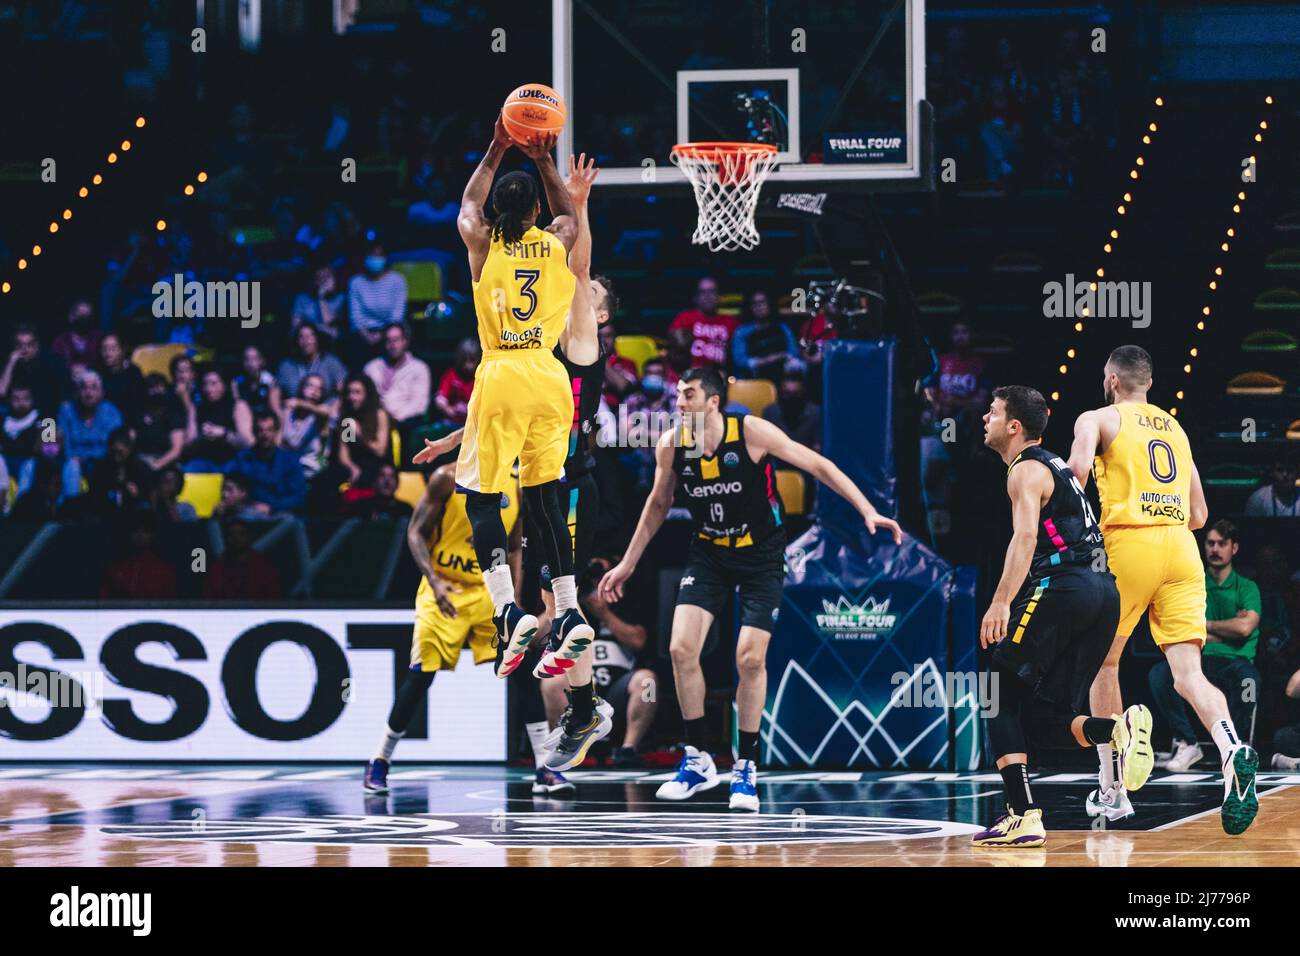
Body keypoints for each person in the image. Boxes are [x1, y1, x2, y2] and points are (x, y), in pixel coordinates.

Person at [599, 367, 903, 812]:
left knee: (749, 657)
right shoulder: (672, 446)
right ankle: (698, 758)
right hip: (708, 553)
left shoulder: (752, 433)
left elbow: (818, 465)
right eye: (679, 395)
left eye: (688, 395)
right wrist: (628, 562)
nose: (679, 402)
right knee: (682, 649)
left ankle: (746, 767)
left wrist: (868, 510)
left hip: (761, 555)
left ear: (713, 403)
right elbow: (659, 504)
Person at [417, 152, 610, 771]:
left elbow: (469, 208)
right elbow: (571, 228)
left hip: (501, 376)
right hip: (550, 388)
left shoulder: (485, 249)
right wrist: (568, 187)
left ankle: (507, 609)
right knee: (545, 503)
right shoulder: (560, 256)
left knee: (479, 500)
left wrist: (500, 145)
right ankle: (570, 616)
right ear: (538, 212)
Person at [1068, 344, 1258, 834]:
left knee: (1102, 663)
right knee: (1188, 674)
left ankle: (1112, 794)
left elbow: (1076, 474)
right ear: (1148, 383)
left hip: (1129, 543)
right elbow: (1199, 516)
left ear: (1112, 380)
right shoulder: (1176, 430)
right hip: (1180, 548)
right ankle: (1231, 746)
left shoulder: (1097, 417)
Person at [972, 386, 1147, 848]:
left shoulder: (1024, 470)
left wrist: (1000, 601)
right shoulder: (1057, 467)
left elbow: (1025, 539)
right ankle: (1114, 730)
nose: (983, 419)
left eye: (992, 413)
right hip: (1103, 592)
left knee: (997, 693)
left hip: (1063, 587)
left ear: (1014, 426)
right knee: (1046, 717)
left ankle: (1023, 814)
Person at [364, 461, 524, 794]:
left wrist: (514, 602)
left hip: (488, 589)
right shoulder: (447, 477)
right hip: (444, 586)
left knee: (518, 668)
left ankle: (546, 770)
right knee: (421, 673)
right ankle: (379, 760)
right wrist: (434, 581)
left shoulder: (517, 485)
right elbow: (415, 532)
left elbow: (513, 548)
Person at [1151, 520, 1262, 771]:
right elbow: (1235, 629)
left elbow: (1245, 628)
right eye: (1210, 543)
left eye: (1222, 544)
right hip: (1200, 657)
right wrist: (1228, 629)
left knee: (1250, 682)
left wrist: (1206, 625)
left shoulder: (1247, 587)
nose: (1215, 549)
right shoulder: (1192, 581)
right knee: (1159, 675)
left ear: (1234, 548)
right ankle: (1187, 743)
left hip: (1236, 661)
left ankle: (1239, 743)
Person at [57, 370, 123, 498]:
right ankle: (70, 509)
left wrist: (88, 457)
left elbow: (114, 445)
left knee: (109, 468)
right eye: (84, 388)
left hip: (102, 461)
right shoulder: (66, 410)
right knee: (71, 467)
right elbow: (64, 443)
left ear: (102, 392)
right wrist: (75, 458)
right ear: (77, 392)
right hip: (74, 462)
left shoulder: (112, 412)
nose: (89, 393)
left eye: (94, 388)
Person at [228, 411, 308, 516]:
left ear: (276, 431)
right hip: (249, 513)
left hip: (280, 514)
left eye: (270, 430)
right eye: (260, 430)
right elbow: (231, 486)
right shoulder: (242, 459)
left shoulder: (290, 460)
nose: (265, 435)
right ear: (254, 432)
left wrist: (272, 507)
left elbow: (298, 497)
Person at [364, 323, 431, 433]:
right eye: (388, 340)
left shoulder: (419, 368)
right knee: (348, 422)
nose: (392, 344)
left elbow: (419, 405)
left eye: (396, 340)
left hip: (406, 424)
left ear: (405, 341)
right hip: (375, 421)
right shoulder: (371, 368)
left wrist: (394, 418)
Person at [183, 368, 252, 472]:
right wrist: (201, 437)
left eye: (214, 383)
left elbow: (248, 443)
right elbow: (188, 444)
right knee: (190, 468)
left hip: (232, 459)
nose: (208, 388)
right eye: (205, 384)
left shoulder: (238, 406)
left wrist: (224, 434)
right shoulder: (197, 408)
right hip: (205, 460)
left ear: (224, 385)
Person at [1, 324, 68, 426]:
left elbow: (64, 399)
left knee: (49, 433)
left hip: (46, 417)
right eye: (20, 345)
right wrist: (11, 363)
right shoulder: (10, 364)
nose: (24, 349)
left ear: (36, 345)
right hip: (17, 418)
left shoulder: (52, 363)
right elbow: (2, 392)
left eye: (29, 344)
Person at [348, 242, 408, 356]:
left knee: (393, 342)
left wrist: (382, 334)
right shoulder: (356, 282)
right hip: (363, 332)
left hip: (389, 329)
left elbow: (397, 314)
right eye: (371, 255)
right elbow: (355, 317)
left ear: (385, 258)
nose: (374, 259)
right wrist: (367, 336)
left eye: (378, 255)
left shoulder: (397, 280)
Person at [202, 518, 283, 599]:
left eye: (241, 534)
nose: (235, 539)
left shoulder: (264, 567)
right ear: (225, 538)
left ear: (249, 537)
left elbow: (273, 599)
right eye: (231, 534)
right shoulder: (216, 568)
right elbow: (209, 600)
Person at [668, 277, 736, 369]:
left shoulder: (730, 322)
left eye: (712, 291)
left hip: (720, 376)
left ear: (719, 296)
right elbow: (676, 352)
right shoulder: (685, 318)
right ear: (695, 297)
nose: (707, 296)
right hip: (690, 373)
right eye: (703, 292)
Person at [335, 375, 390, 488]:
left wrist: (360, 435)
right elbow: (344, 452)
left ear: (366, 394)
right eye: (349, 392)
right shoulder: (348, 418)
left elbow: (380, 451)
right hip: (355, 463)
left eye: (357, 392)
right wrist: (352, 467)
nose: (352, 397)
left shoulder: (379, 415)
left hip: (376, 464)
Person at [731, 290, 797, 380]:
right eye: (754, 303)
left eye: (762, 302)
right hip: (753, 378)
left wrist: (782, 359)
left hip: (782, 376)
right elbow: (740, 360)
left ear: (769, 304)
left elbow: (793, 352)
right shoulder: (742, 331)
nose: (759, 307)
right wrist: (768, 360)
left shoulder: (783, 327)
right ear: (750, 307)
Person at [277, 322, 348, 401]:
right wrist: (279, 413)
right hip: (295, 410)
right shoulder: (287, 365)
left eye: (310, 336)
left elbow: (344, 391)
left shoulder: (331, 362)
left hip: (325, 410)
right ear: (296, 341)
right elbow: (275, 392)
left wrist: (333, 409)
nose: (306, 341)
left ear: (317, 339)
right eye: (301, 337)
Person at [432, 338, 479, 425]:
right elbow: (440, 399)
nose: (468, 365)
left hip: (474, 423)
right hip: (450, 423)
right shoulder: (451, 375)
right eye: (464, 360)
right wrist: (449, 409)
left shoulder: (481, 377)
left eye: (472, 360)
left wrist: (469, 410)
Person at [98, 334, 145, 420]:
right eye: (104, 349)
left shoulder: (133, 373)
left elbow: (137, 405)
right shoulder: (96, 372)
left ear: (122, 350)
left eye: (112, 349)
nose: (108, 353)